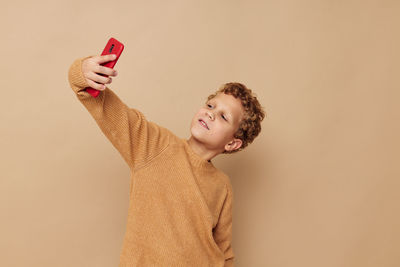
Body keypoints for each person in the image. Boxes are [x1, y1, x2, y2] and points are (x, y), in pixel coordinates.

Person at [67, 54, 265, 266]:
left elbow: (224, 253)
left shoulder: (222, 186)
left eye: (224, 117)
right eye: (210, 106)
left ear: (232, 144)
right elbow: (108, 110)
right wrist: (82, 74)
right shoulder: (154, 145)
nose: (211, 114)